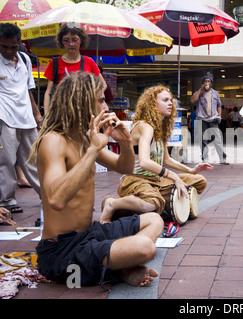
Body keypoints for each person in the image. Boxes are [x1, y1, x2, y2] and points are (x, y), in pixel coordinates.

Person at [30, 72, 163, 288]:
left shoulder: (83, 138)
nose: (105, 106)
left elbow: (125, 167)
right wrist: (93, 149)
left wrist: (126, 142)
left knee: (154, 220)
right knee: (144, 248)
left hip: (87, 235)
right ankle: (120, 266)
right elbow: (56, 199)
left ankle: (119, 266)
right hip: (60, 250)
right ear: (82, 101)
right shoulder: (53, 141)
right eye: (100, 100)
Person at [116, 85, 213, 221]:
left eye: (171, 100)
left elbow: (166, 160)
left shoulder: (160, 127)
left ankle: (160, 199)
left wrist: (191, 170)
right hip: (136, 180)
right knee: (153, 203)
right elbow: (144, 162)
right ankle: (114, 203)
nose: (170, 104)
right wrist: (173, 177)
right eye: (165, 100)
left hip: (156, 179)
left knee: (199, 181)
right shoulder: (145, 126)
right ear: (152, 104)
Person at [0, 23, 41, 214]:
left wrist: (37, 114)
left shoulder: (24, 59)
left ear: (19, 44)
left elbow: (28, 90)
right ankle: (7, 201)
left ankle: (47, 194)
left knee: (35, 159)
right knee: (6, 161)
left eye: (13, 47)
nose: (9, 51)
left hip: (26, 117)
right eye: (4, 46)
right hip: (4, 118)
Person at [43, 23, 104, 114]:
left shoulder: (89, 62)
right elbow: (48, 92)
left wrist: (91, 97)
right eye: (66, 40)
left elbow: (103, 85)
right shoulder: (55, 63)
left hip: (84, 114)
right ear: (61, 42)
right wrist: (47, 114)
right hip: (60, 114)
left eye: (75, 40)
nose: (71, 44)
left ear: (81, 40)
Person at [190, 75, 228, 164]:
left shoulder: (215, 93)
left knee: (217, 139)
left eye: (209, 81)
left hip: (213, 118)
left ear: (211, 83)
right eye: (205, 81)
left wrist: (219, 116)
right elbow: (192, 101)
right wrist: (200, 89)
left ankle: (222, 158)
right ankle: (205, 158)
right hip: (201, 119)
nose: (207, 83)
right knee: (203, 140)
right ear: (202, 83)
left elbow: (219, 105)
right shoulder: (199, 93)